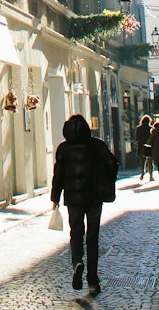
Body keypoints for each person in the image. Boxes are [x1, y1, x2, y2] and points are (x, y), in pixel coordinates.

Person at [50, 113, 118, 295]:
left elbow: (58, 176)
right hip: (94, 198)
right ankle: (93, 279)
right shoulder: (96, 145)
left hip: (73, 200)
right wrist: (104, 179)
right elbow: (112, 164)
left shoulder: (63, 149)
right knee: (93, 238)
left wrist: (55, 198)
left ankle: (77, 262)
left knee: (76, 234)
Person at [135, 114, 154, 181]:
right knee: (150, 161)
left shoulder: (138, 128)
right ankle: (151, 176)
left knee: (142, 161)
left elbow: (137, 138)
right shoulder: (151, 128)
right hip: (149, 146)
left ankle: (142, 172)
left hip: (141, 146)